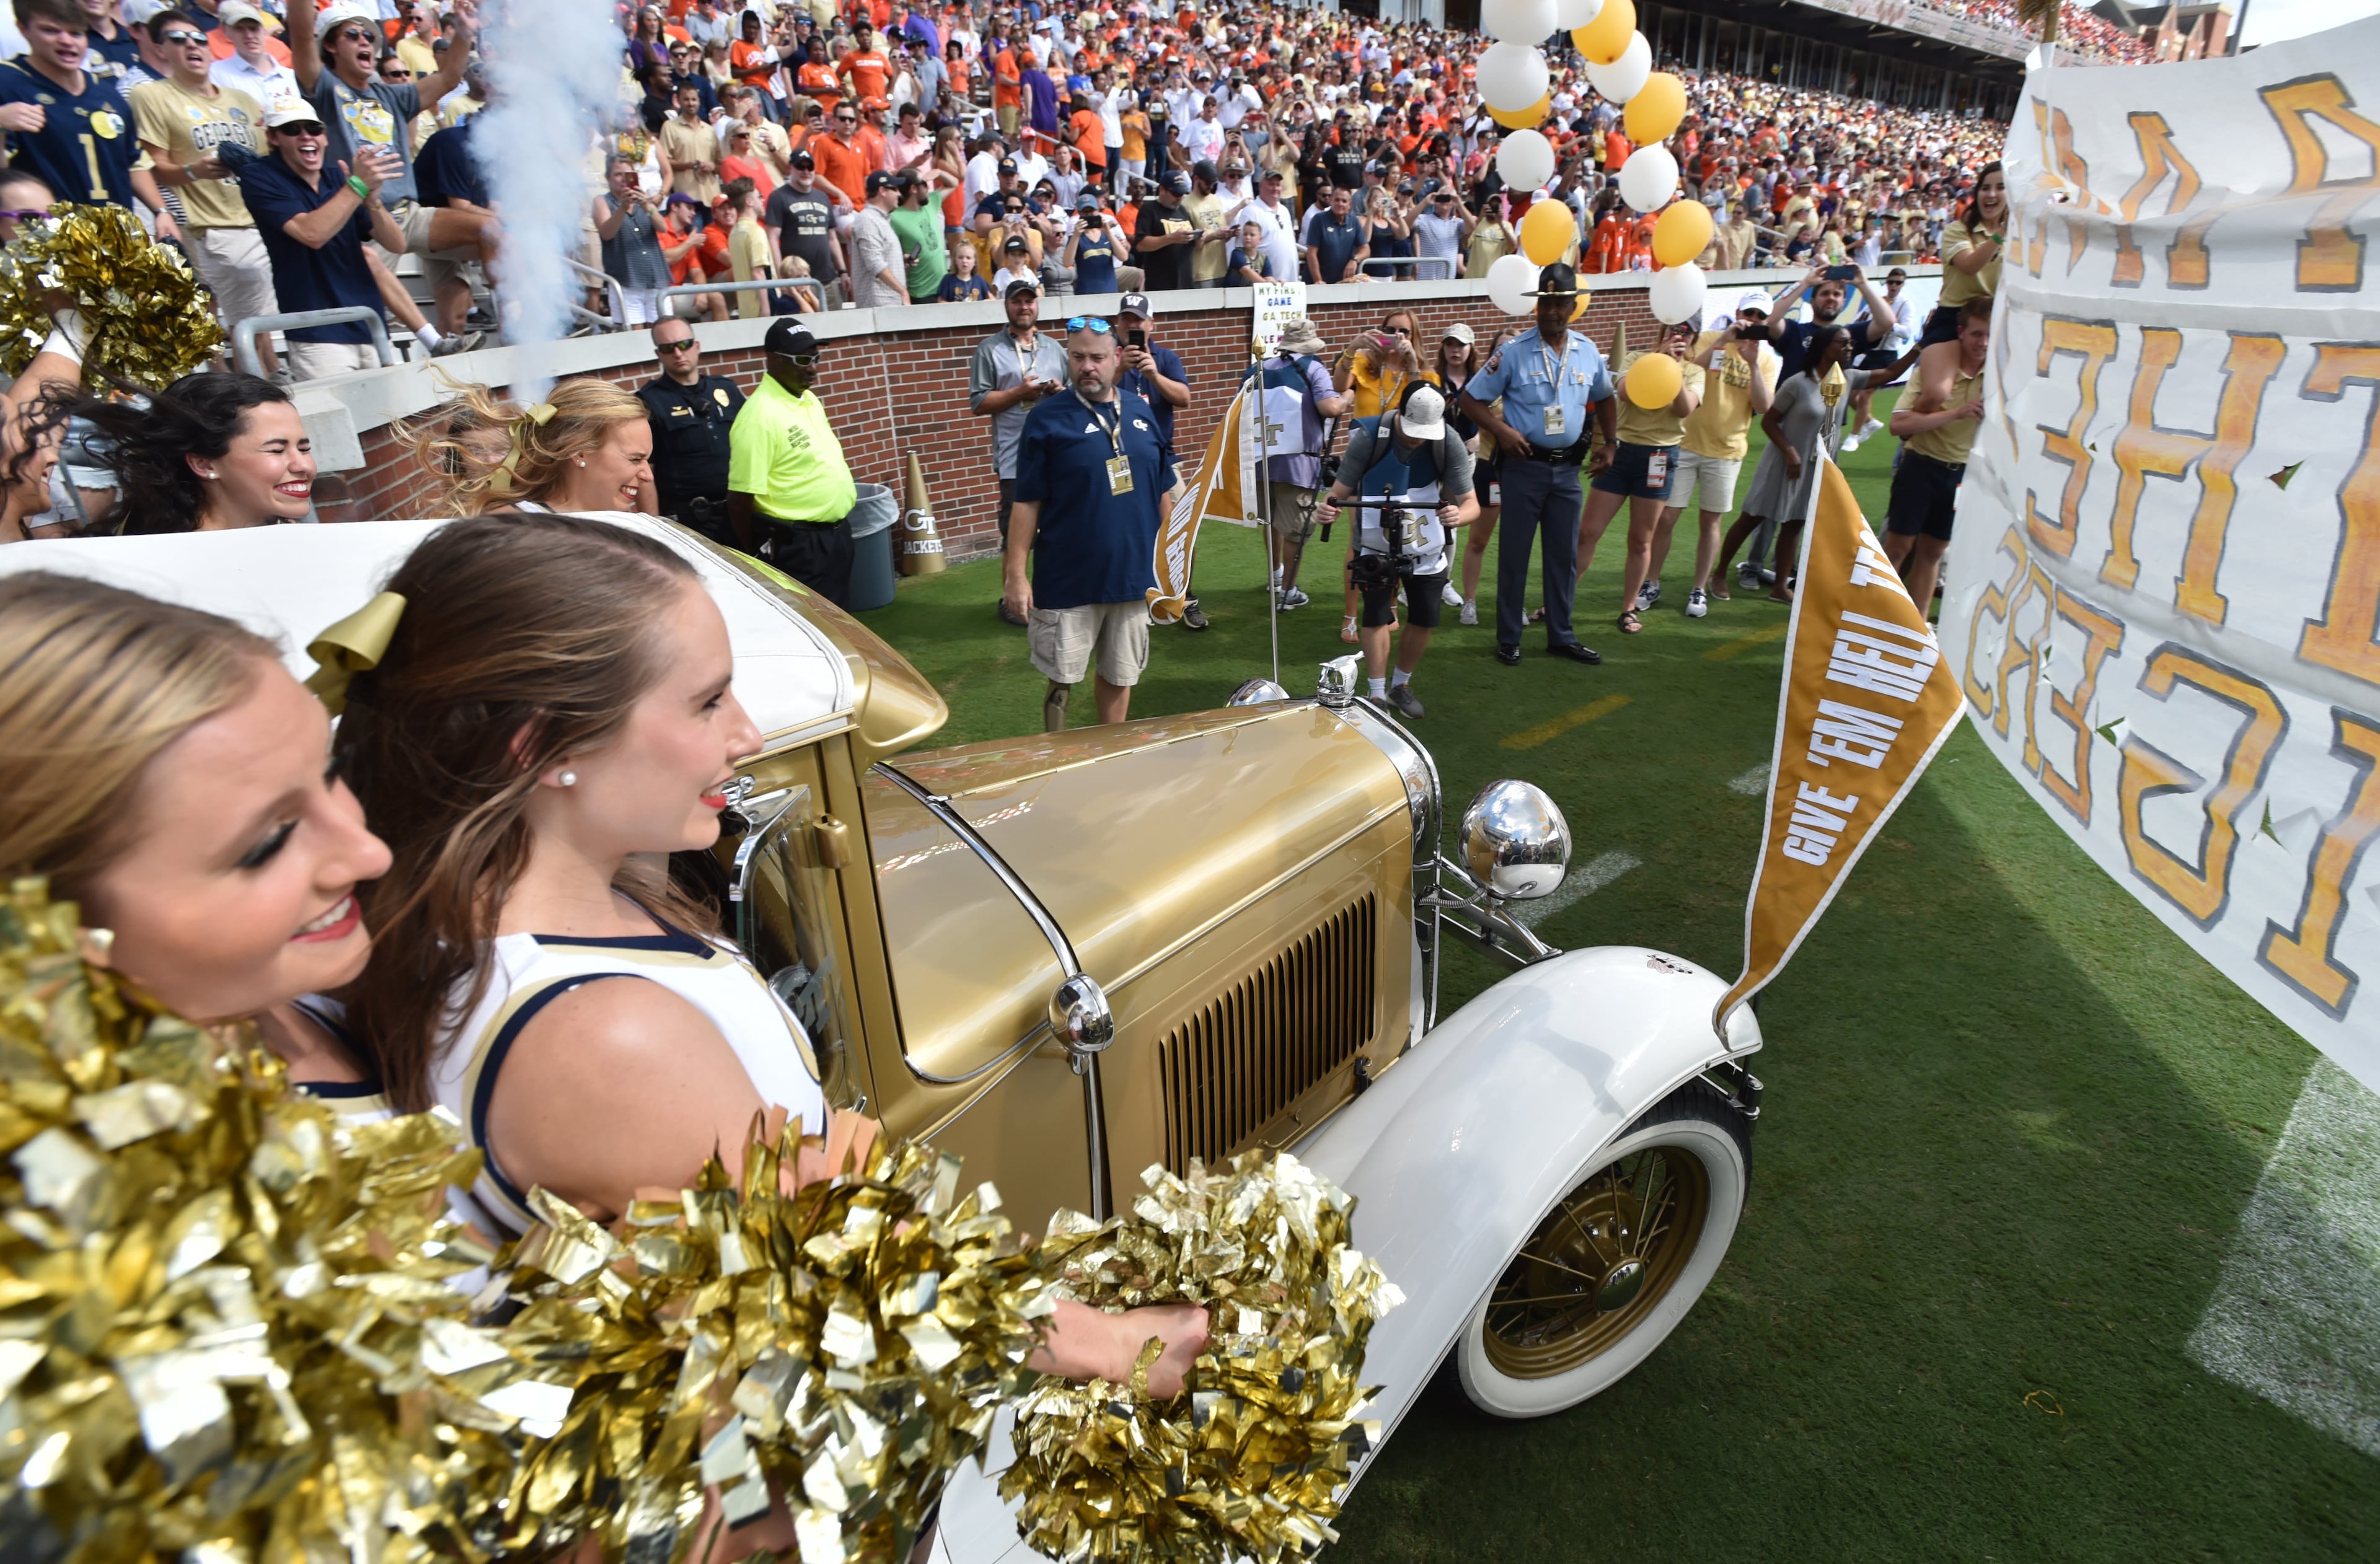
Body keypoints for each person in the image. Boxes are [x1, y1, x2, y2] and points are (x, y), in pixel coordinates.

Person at [328, 514, 1205, 1389]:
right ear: (544, 744)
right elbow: (852, 1276)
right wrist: (1114, 1347)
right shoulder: (599, 1033)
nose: (745, 734)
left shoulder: (565, 906)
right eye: (707, 702)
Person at [0, 574, 392, 1091]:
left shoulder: (299, 1003)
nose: (371, 855)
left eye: (330, 772)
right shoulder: (144, 1161)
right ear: (41, 926)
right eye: (265, 845)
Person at [1002, 316, 1179, 732]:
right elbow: (1026, 503)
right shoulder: (1046, 420)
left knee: (1121, 675)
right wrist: (1015, 574)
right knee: (1062, 677)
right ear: (1068, 357)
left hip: (1134, 578)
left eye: (1097, 357)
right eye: (1078, 357)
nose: (1087, 367)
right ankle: (1056, 756)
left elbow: (1162, 492)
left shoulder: (1140, 410)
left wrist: (1172, 562)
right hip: (1068, 578)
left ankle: (1112, 752)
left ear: (1117, 357)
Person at [289, 0, 489, 343]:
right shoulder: (323, 87)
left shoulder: (392, 96)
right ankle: (425, 346)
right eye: (353, 35)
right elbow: (302, 36)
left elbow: (448, 77)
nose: (366, 41)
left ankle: (515, 323)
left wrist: (465, 32)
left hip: (408, 214)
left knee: (495, 230)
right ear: (331, 46)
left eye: (370, 34)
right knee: (367, 326)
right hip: (361, 220)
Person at [1458, 263, 1615, 667]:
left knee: (1563, 557)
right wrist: (1501, 430)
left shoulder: (1588, 351)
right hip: (1524, 467)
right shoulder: (1513, 352)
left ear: (1572, 305)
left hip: (1567, 472)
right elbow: (1470, 400)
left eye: (1559, 303)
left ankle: (1561, 635)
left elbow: (1607, 396)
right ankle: (1509, 637)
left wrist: (1611, 442)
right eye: (1544, 303)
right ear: (1537, 305)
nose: (1551, 311)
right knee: (1515, 554)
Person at [1716, 323, 1911, 604]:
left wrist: (1920, 346)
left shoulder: (1849, 378)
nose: (1849, 349)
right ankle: (1719, 573)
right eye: (1842, 344)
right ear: (1824, 348)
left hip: (1816, 464)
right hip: (1784, 461)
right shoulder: (1798, 383)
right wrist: (1789, 451)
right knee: (1753, 516)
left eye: (1850, 344)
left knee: (1795, 524)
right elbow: (1769, 422)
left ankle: (1780, 587)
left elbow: (1892, 373)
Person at [1314, 384, 1477, 720]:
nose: (1419, 439)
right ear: (1399, 412)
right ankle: (1376, 695)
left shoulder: (1447, 442)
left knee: (1425, 617)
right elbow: (1338, 493)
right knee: (1375, 614)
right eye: (1414, 431)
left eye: (1425, 433)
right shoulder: (1371, 438)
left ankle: (1400, 685)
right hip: (1376, 543)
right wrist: (1327, 509)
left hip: (1428, 546)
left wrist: (1458, 516)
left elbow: (1472, 503)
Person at [131, 11, 276, 375]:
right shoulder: (151, 95)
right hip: (205, 221)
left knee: (250, 309)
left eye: (197, 37)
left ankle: (253, 376)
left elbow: (264, 158)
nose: (191, 45)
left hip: (255, 216)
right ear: (160, 49)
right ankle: (238, 381)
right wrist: (193, 171)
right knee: (238, 310)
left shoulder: (242, 99)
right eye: (178, 39)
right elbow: (150, 164)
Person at [10, 371, 313, 533]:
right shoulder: (174, 561)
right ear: (204, 463)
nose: (303, 466)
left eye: (304, 447)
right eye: (276, 450)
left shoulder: (280, 529)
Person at [238, 99, 404, 381]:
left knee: (392, 422)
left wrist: (373, 202)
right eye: (292, 129)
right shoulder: (260, 176)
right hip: (317, 334)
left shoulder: (339, 178)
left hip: (369, 323)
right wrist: (358, 186)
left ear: (325, 137)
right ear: (272, 137)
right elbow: (312, 234)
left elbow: (396, 244)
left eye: (314, 129)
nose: (306, 136)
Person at [0, 0, 174, 229]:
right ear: (24, 29)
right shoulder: (8, 82)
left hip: (116, 236)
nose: (66, 41)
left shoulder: (107, 93)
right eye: (50, 31)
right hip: (49, 240)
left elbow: (133, 161)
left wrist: (160, 211)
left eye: (76, 33)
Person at [1584, 319, 1703, 636]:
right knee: (1588, 532)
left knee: (1640, 540)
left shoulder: (1694, 372)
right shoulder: (1636, 359)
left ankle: (1628, 609)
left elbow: (1683, 410)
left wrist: (1672, 371)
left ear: (1693, 339)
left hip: (1659, 457)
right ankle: (1558, 601)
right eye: (1672, 330)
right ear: (1661, 332)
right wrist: (1658, 361)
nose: (1678, 336)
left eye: (1685, 333)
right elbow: (1624, 392)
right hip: (1621, 452)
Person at [727, 320, 859, 605]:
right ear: (773, 360)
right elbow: (739, 499)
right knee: (818, 629)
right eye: (802, 359)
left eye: (816, 358)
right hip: (800, 546)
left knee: (844, 624)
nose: (813, 368)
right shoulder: (758, 417)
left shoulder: (809, 399)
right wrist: (755, 556)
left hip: (836, 536)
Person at [968, 278, 1068, 624]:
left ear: (1037, 305)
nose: (1024, 307)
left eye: (1029, 301)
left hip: (1057, 457)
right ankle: (1013, 604)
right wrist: (1017, 393)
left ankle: (1048, 596)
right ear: (1007, 306)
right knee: (1016, 534)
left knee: (1056, 531)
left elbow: (1074, 397)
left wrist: (1059, 391)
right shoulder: (989, 349)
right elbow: (979, 402)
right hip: (1015, 460)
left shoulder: (1055, 348)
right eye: (1017, 302)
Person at [1884, 295, 1990, 615]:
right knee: (1898, 547)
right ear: (1960, 332)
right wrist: (1955, 414)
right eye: (1976, 334)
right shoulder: (1934, 369)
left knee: (1933, 551)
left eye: (1990, 334)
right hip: (1920, 465)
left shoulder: (2001, 375)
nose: (1983, 343)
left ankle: (1915, 628)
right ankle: (1871, 617)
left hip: (1960, 474)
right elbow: (1898, 424)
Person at [412, 379, 654, 516]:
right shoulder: (511, 529)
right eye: (635, 459)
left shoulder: (615, 520)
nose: (648, 476)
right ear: (579, 451)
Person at [1673, 300, 1777, 613]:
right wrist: (1724, 340)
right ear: (1738, 315)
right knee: (1666, 517)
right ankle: (1651, 582)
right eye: (1749, 314)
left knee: (1711, 521)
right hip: (1685, 442)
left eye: (1760, 317)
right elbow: (1687, 371)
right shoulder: (1709, 338)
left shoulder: (1768, 359)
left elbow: (1764, 406)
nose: (1753, 321)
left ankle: (1698, 588)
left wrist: (1754, 363)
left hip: (1726, 450)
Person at [1246, 315, 1351, 612]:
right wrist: (1346, 398)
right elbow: (1329, 408)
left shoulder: (1256, 369)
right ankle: (1288, 591)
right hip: (1298, 462)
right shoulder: (1313, 368)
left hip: (1259, 460)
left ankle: (1276, 574)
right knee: (1296, 528)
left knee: (1271, 520)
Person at [637, 316, 745, 547]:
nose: (678, 353)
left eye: (684, 345)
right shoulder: (649, 401)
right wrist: (655, 531)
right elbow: (644, 471)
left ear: (697, 346)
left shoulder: (727, 389)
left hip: (741, 513)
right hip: (690, 522)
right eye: (668, 348)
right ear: (659, 355)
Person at [1927, 161, 2002, 346]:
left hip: (1997, 322)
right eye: (1985, 188)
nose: (1991, 194)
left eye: (2001, 187)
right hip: (1953, 321)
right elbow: (1969, 266)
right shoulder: (1956, 230)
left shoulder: (2022, 237)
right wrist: (2002, 235)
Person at [595, 154, 674, 328]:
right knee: (634, 338)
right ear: (608, 178)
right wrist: (623, 209)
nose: (624, 179)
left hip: (655, 277)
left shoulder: (643, 199)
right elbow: (607, 233)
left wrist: (647, 205)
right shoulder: (603, 202)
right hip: (627, 279)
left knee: (663, 330)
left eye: (628, 174)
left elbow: (663, 227)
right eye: (617, 174)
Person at [1843, 266, 1915, 452]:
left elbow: (1907, 332)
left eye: (1898, 283)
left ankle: (1854, 436)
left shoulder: (1906, 304)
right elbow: (1861, 318)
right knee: (1851, 394)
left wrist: (1889, 326)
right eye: (1891, 282)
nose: (1893, 286)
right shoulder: (1879, 301)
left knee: (1866, 393)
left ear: (1903, 284)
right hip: (1870, 351)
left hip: (1887, 354)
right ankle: (1870, 422)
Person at [765, 147, 844, 303]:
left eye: (810, 167)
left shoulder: (822, 197)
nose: (806, 171)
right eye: (801, 167)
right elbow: (773, 239)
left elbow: (832, 238)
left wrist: (842, 270)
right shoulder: (779, 197)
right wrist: (782, 277)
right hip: (797, 281)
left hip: (827, 278)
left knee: (837, 324)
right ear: (791, 168)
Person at [850, 167, 909, 308]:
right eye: (895, 189)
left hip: (888, 302)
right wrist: (903, 291)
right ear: (882, 191)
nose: (899, 194)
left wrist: (901, 260)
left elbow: (878, 258)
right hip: (879, 304)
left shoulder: (880, 220)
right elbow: (874, 263)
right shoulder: (867, 220)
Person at [1132, 168, 1196, 291]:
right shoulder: (1149, 209)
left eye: (1182, 194)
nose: (1179, 198)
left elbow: (1196, 246)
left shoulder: (1182, 210)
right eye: (1176, 194)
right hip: (1161, 283)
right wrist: (1171, 238)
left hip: (1185, 281)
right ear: (1162, 190)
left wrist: (1202, 237)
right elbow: (1140, 244)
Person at [1303, 183, 1367, 283]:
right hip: (1317, 283)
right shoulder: (1318, 220)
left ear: (1350, 205)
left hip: (1342, 283)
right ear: (1331, 200)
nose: (1340, 204)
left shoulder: (1354, 221)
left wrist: (1355, 259)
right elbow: (1311, 253)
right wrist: (1318, 281)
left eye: (1344, 201)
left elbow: (1366, 249)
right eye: (1337, 200)